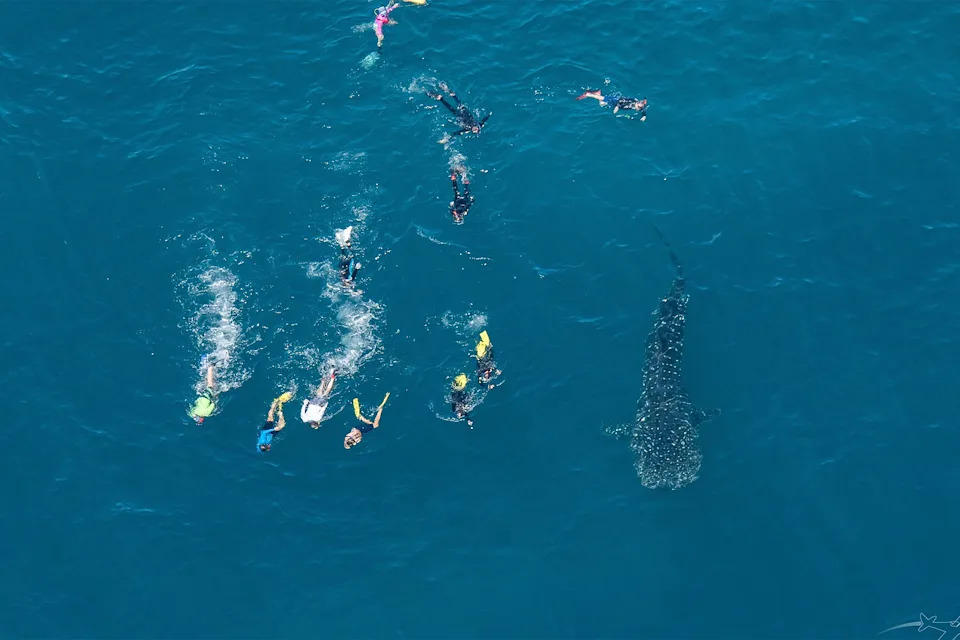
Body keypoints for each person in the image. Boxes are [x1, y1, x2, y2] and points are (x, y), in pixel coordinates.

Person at [576, 90, 648, 119]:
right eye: (639, 108)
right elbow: (621, 100)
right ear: (637, 105)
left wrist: (644, 116)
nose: (639, 109)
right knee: (599, 98)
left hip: (615, 103)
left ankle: (598, 93)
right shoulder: (630, 103)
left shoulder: (635, 103)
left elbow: (643, 109)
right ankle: (587, 94)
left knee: (602, 104)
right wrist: (617, 107)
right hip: (614, 101)